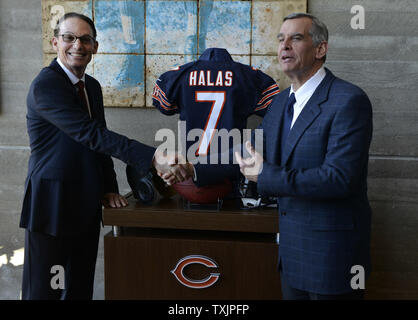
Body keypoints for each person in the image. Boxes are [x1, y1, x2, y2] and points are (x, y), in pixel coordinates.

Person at [20, 12, 186, 300]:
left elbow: (99, 139)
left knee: (79, 289)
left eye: (86, 39)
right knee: (46, 292)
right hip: (52, 207)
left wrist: (109, 187)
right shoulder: (46, 85)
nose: (78, 45)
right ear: (55, 41)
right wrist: (153, 157)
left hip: (85, 204)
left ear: (95, 47)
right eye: (70, 38)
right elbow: (90, 134)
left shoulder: (92, 87)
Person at [235, 13, 373, 299]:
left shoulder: (348, 100)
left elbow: (339, 179)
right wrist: (191, 167)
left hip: (334, 259)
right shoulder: (280, 101)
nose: (284, 46)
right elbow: (248, 148)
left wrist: (265, 175)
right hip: (292, 258)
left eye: (296, 38)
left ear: (320, 49)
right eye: (280, 39)